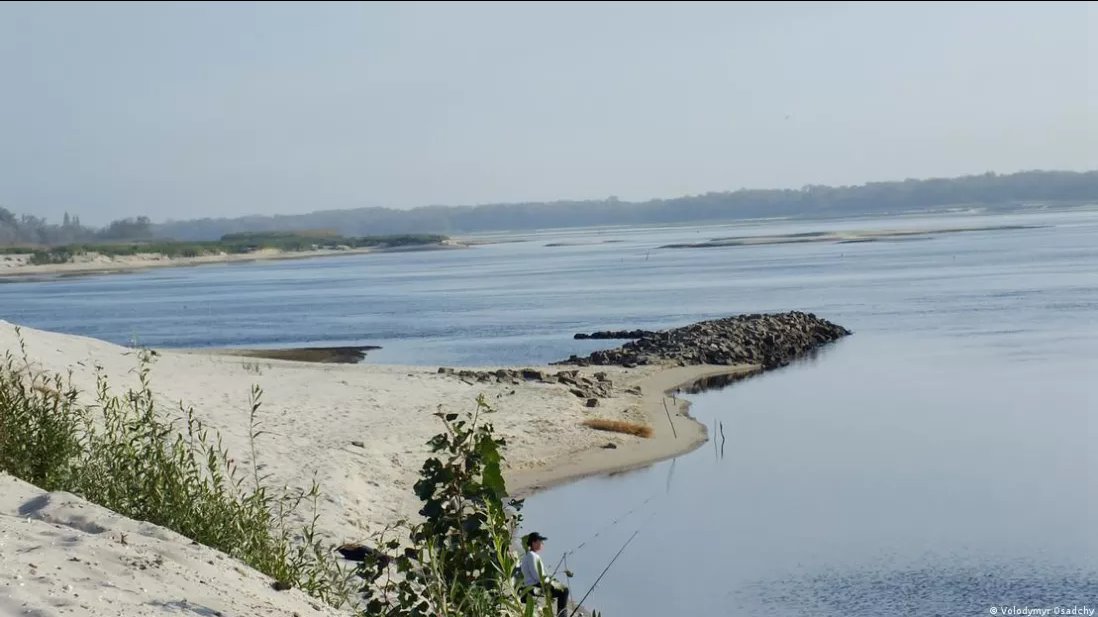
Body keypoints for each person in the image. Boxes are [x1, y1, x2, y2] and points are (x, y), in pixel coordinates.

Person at [520, 531, 569, 616]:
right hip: (534, 586)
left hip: (533, 584)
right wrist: (550, 581)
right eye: (540, 541)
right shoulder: (532, 556)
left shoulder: (529, 555)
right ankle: (562, 615)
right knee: (564, 590)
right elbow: (537, 576)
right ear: (534, 542)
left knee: (560, 588)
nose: (542, 544)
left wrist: (551, 580)